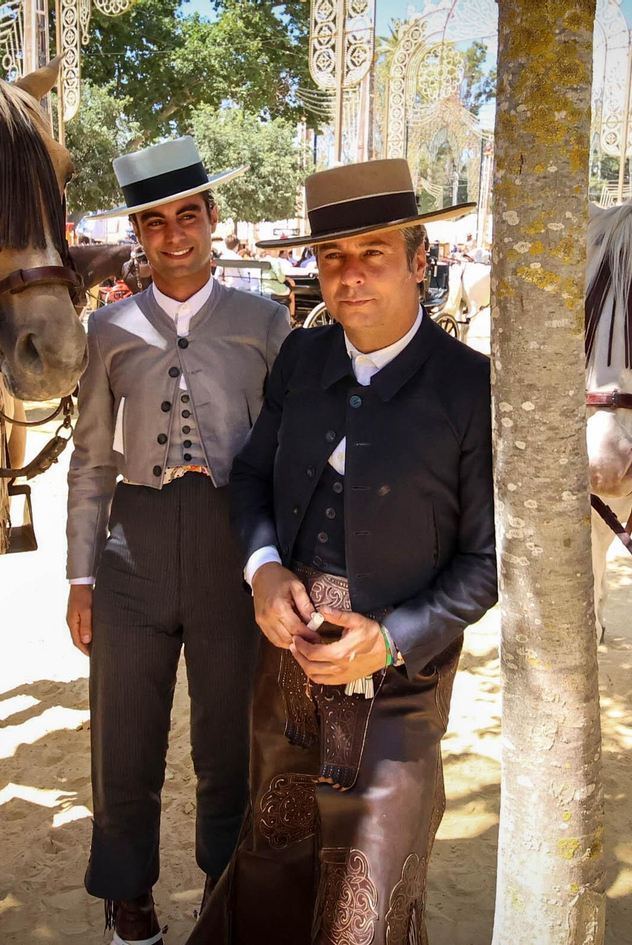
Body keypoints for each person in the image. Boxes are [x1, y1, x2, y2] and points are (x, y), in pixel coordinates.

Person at [189, 158, 497, 944]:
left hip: (399, 691)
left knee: (367, 905)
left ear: (419, 260)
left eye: (374, 253)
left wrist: (389, 639)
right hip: (283, 677)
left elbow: (487, 564)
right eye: (333, 257)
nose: (350, 276)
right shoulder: (303, 357)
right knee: (272, 872)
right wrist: (263, 570)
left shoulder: (470, 387)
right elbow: (253, 473)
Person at [66, 136, 289, 943]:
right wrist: (80, 576)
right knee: (123, 730)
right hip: (135, 541)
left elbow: (286, 453)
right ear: (138, 232)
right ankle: (129, 899)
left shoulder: (266, 320)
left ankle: (224, 887)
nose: (173, 235)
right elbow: (90, 457)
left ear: (212, 218)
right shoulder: (108, 328)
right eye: (153, 222)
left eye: (187, 215)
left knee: (228, 738)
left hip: (236, 543)